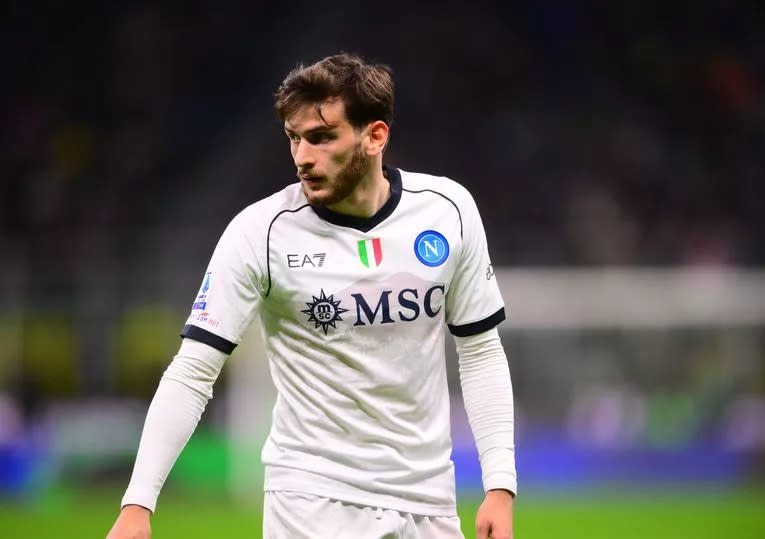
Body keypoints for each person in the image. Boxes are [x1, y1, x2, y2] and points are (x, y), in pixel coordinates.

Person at [107, 53, 516, 539]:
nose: (303, 156)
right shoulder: (260, 232)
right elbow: (193, 371)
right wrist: (139, 502)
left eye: (322, 138)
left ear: (375, 136)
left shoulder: (449, 211)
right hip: (312, 499)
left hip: (428, 499)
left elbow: (481, 351)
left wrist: (499, 485)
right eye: (294, 138)